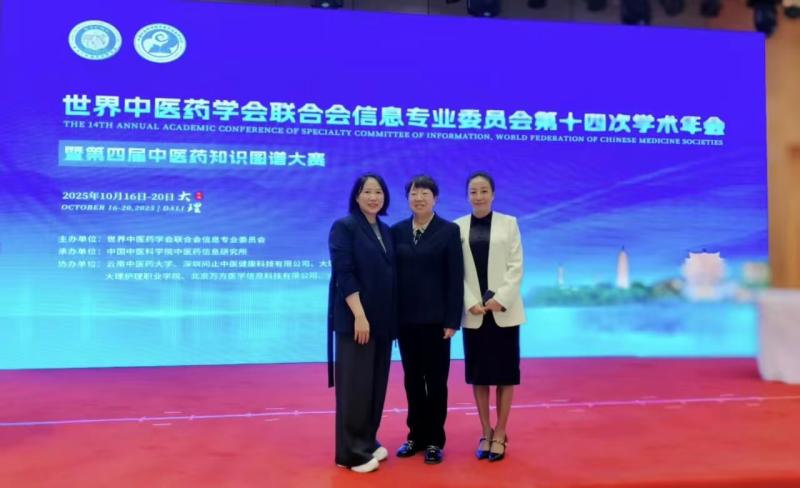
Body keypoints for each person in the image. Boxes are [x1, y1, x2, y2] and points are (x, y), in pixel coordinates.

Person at [390, 175, 463, 465]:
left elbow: (455, 278)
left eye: (424, 193)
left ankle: (434, 440)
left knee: (436, 382)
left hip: (436, 322)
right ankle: (415, 436)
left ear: (435, 198)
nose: (418, 198)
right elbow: (392, 279)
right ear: (407, 198)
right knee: (411, 380)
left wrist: (452, 320)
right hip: (406, 321)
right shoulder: (396, 231)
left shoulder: (449, 231)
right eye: (413, 194)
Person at [327, 173, 396, 473]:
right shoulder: (344, 227)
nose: (373, 197)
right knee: (355, 388)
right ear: (356, 196)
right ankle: (351, 453)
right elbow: (344, 273)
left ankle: (367, 440)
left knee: (375, 387)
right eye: (367, 191)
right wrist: (359, 314)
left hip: (382, 322)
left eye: (378, 192)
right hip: (357, 321)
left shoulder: (385, 230)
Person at [455, 171, 525, 463]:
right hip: (474, 314)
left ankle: (501, 432)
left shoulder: (509, 223)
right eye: (473, 191)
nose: (479, 196)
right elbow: (455, 271)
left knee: (505, 376)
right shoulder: (457, 227)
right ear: (467, 195)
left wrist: (500, 299)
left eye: (484, 190)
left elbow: (516, 266)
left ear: (493, 194)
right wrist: (471, 301)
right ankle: (485, 430)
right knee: (480, 376)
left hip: (503, 312)